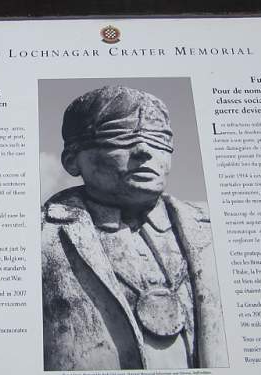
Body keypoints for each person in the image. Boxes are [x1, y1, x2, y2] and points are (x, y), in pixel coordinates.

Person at [41, 86, 228, 370]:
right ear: (71, 161)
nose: (144, 150)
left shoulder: (218, 233)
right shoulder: (41, 239)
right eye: (120, 137)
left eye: (158, 139)